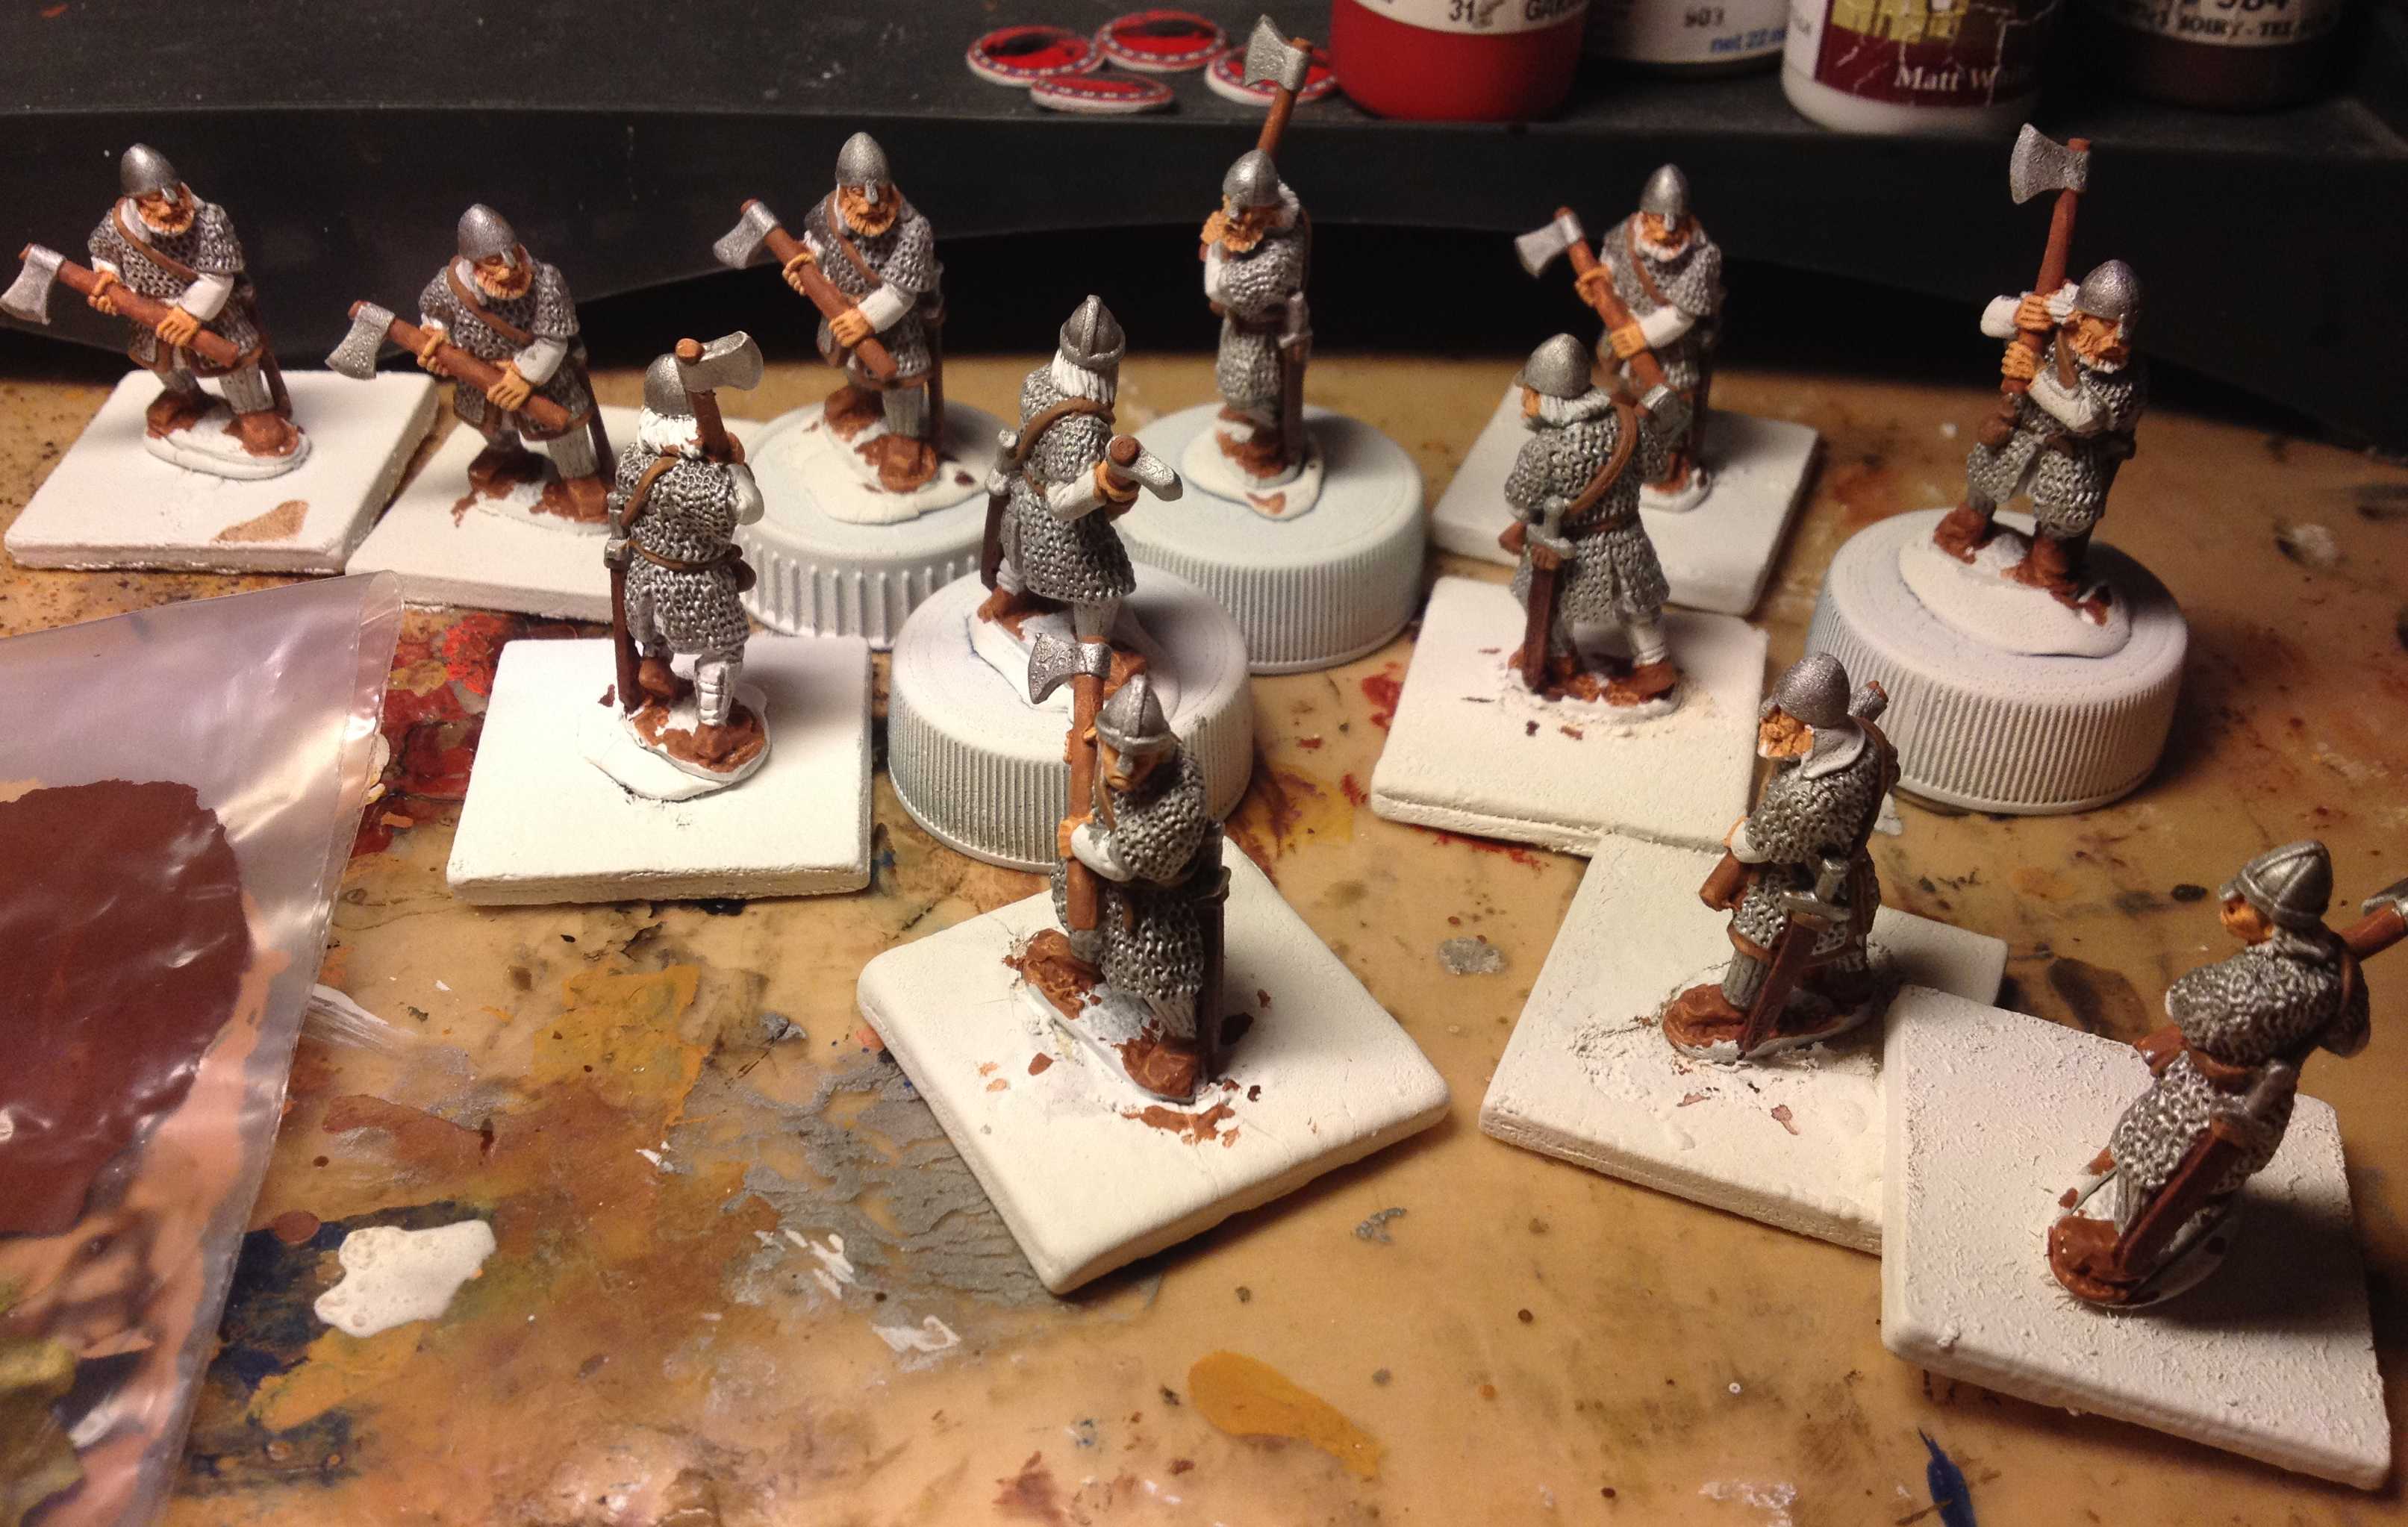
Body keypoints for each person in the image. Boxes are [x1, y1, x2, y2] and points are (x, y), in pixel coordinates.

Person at [85, 143, 299, 463]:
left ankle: (253, 412)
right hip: (151, 314)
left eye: (174, 192)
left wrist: (190, 313)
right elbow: (104, 253)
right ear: (137, 200)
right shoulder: (117, 226)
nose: (170, 204)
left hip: (214, 312)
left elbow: (219, 277)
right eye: (157, 198)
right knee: (162, 362)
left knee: (236, 363)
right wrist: (108, 278)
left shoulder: (210, 219)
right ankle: (185, 397)